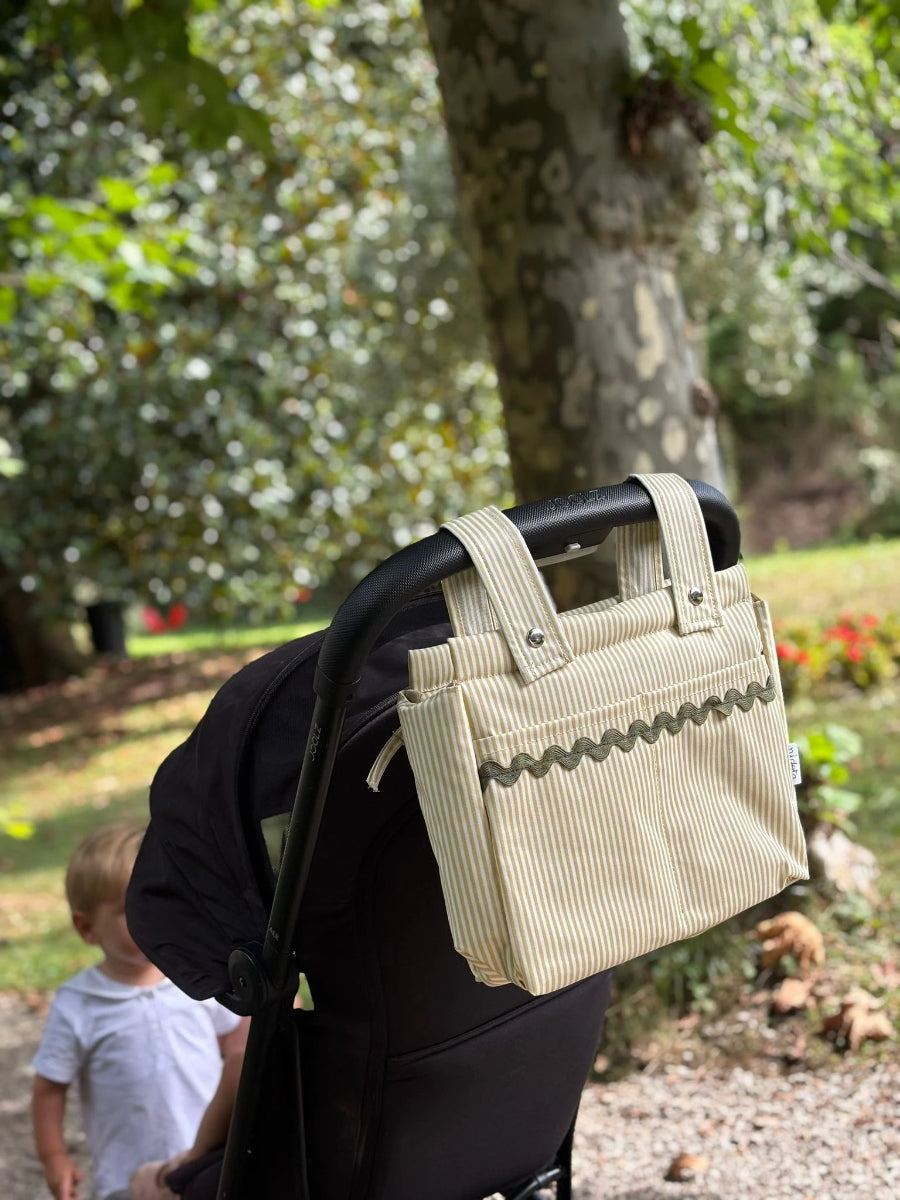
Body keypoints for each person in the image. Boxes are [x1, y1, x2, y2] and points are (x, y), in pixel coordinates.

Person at [31, 824, 249, 1200]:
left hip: (200, 1160)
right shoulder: (78, 1004)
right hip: (125, 1177)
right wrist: (54, 1157)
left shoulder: (195, 977)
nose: (157, 920)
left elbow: (237, 1043)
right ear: (87, 928)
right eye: (133, 909)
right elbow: (50, 1087)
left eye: (166, 905)